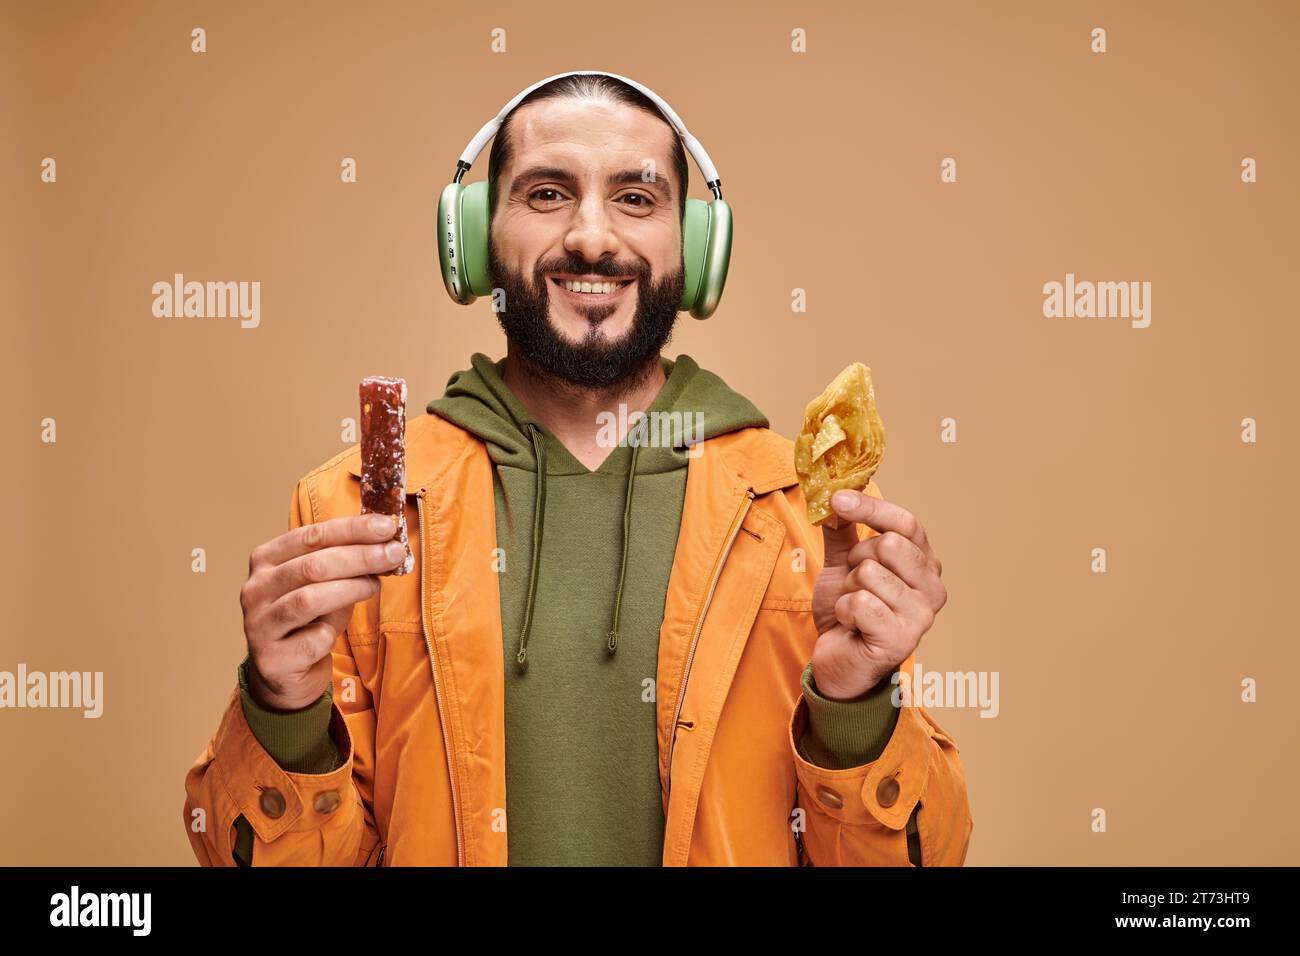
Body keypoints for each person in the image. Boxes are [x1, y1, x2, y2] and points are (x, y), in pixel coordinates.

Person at [183, 71, 972, 867]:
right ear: (477, 238)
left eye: (636, 198)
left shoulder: (813, 518)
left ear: (695, 249)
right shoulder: (356, 512)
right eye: (548, 194)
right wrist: (282, 708)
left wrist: (856, 707)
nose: (592, 237)